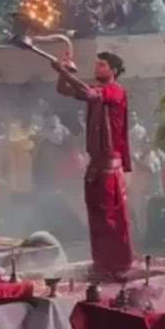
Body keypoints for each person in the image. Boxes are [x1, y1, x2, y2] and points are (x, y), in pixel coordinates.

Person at [51, 51, 134, 278]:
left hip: (109, 163)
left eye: (103, 65)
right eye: (96, 64)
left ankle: (118, 265)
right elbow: (64, 90)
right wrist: (64, 72)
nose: (97, 68)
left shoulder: (115, 91)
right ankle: (102, 264)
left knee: (110, 218)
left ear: (114, 71)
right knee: (96, 215)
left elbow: (90, 93)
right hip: (95, 163)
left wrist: (62, 71)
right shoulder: (97, 91)